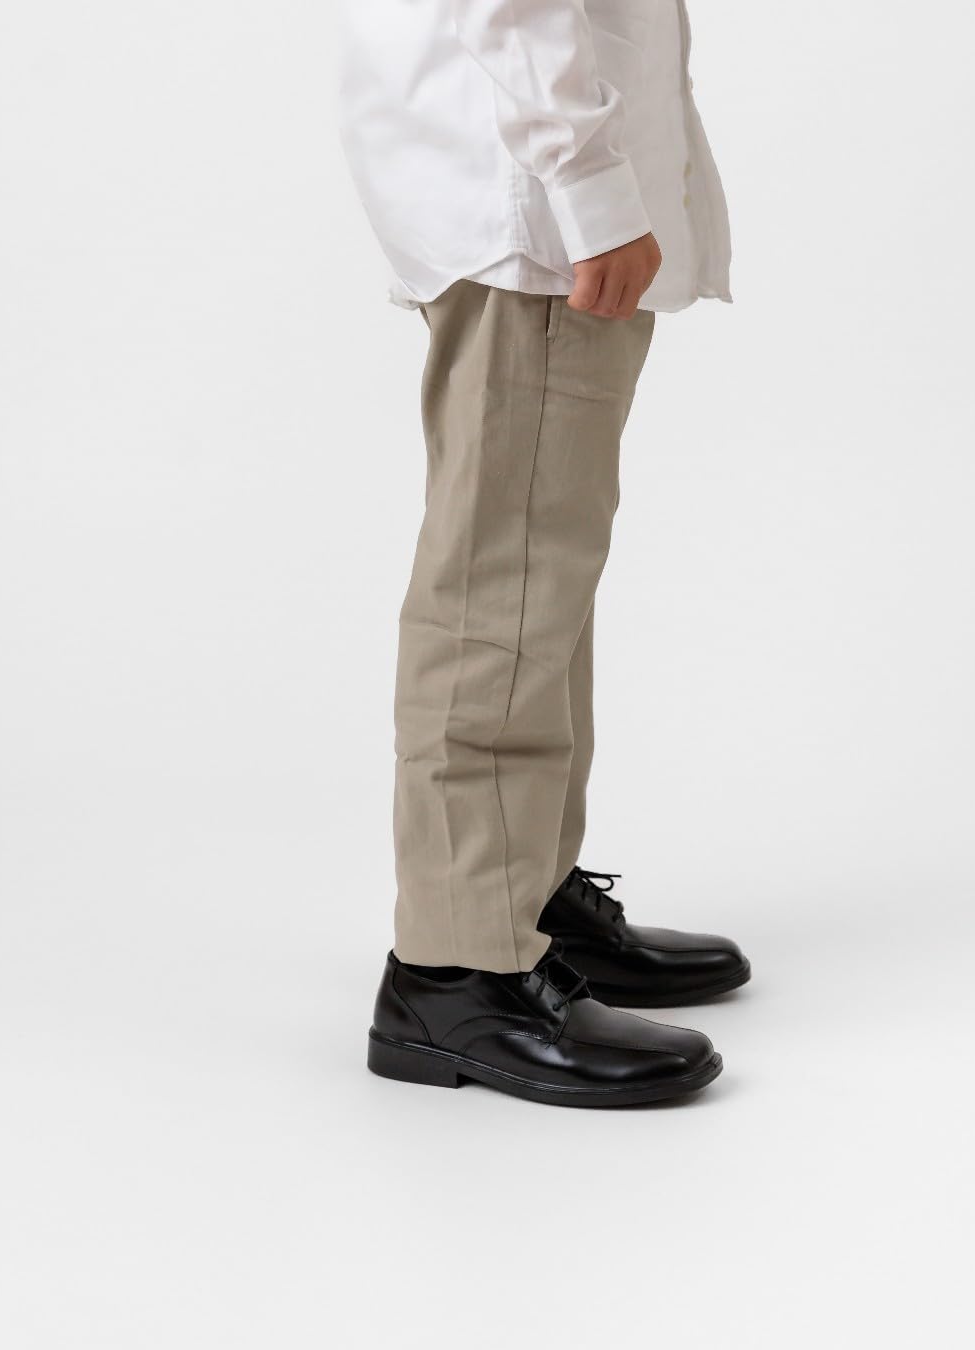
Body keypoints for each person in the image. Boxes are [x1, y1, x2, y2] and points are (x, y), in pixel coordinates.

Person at [338, 0, 749, 1106]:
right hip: (535, 200)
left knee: (536, 567)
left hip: (532, 176)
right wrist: (592, 186)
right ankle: (457, 969)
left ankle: (520, 898)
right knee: (501, 576)